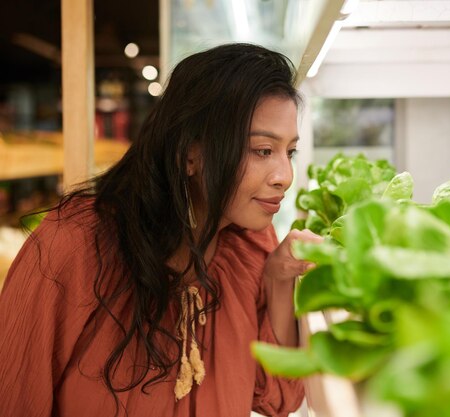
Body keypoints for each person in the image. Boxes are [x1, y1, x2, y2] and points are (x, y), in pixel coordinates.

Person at [0, 43, 321, 417]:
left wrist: (278, 278)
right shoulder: (74, 245)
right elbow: (13, 399)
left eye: (290, 152)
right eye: (263, 150)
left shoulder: (249, 247)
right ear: (190, 154)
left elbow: (278, 398)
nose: (285, 176)